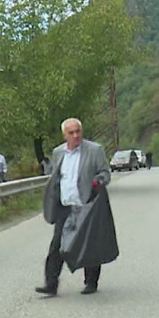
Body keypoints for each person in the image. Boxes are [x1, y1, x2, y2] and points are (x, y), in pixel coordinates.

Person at [35, 118, 112, 296]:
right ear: (65, 135)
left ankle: (91, 282)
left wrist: (97, 182)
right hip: (65, 206)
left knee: (89, 244)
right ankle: (50, 284)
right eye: (71, 133)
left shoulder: (94, 150)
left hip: (86, 205)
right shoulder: (58, 153)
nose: (76, 135)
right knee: (57, 246)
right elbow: (56, 177)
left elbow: (105, 173)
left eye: (78, 131)